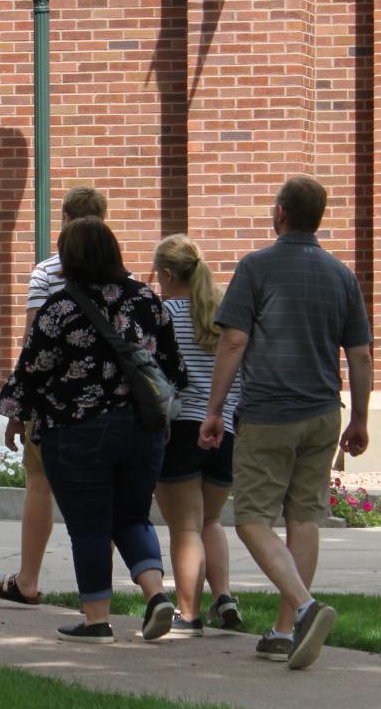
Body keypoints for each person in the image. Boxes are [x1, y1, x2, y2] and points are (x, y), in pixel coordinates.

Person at [200, 176, 373, 670]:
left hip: (268, 413)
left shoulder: (256, 267)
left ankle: (303, 609)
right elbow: (359, 355)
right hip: (322, 414)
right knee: (303, 518)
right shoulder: (341, 275)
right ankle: (282, 631)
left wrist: (213, 411)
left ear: (279, 212)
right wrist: (359, 419)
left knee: (253, 519)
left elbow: (233, 343)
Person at [0, 216, 187, 644]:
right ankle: (156, 594)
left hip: (76, 430)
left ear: (69, 259)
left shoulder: (59, 309)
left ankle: (96, 620)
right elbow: (174, 369)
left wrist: (15, 416)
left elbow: (31, 370)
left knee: (89, 525)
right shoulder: (148, 301)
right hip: (142, 428)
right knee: (132, 515)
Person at [0, 186, 108, 607]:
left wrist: (18, 406)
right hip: (108, 400)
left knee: (39, 487)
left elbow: (32, 341)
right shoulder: (121, 275)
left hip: (53, 398)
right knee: (102, 494)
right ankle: (97, 586)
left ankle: (29, 579)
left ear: (65, 220)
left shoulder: (45, 273)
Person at [151, 234, 242, 637]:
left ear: (168, 275)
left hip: (182, 426)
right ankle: (223, 596)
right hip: (226, 427)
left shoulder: (164, 312)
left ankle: (187, 614)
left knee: (185, 527)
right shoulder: (225, 311)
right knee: (210, 520)